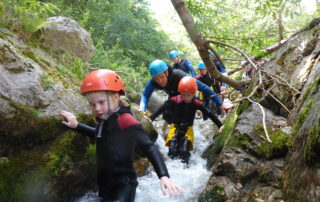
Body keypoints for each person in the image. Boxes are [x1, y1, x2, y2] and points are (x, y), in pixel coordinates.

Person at [60, 69, 182, 202]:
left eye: (101, 102)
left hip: (124, 185)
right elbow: (100, 136)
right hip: (106, 184)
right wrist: (77, 126)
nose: (97, 108)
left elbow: (149, 147)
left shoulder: (125, 120)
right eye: (92, 104)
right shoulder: (105, 118)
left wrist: (163, 176)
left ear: (116, 97)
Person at [149, 77, 224, 165]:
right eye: (183, 95)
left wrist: (219, 125)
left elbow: (209, 113)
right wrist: (151, 118)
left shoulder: (196, 103)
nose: (186, 98)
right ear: (180, 92)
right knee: (172, 149)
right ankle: (173, 168)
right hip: (174, 128)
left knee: (184, 150)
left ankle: (185, 166)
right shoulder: (175, 100)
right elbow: (162, 108)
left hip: (187, 129)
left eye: (188, 95)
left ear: (193, 94)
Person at [139, 59, 231, 114]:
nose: (159, 81)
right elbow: (145, 95)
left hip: (187, 93)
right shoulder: (153, 82)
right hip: (173, 94)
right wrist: (142, 108)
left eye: (161, 77)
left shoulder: (179, 75)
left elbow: (203, 88)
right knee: (169, 113)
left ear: (167, 72)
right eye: (156, 78)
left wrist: (220, 103)